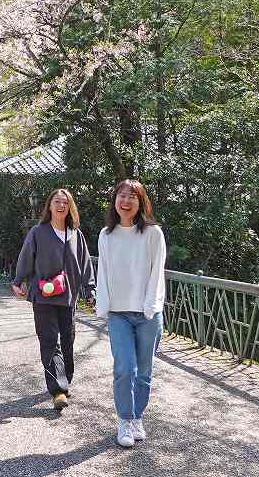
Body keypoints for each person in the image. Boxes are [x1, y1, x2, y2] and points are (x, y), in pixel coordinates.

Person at [95, 179, 166, 447]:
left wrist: (150, 306)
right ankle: (124, 418)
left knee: (144, 371)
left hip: (148, 314)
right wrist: (103, 305)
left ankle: (137, 416)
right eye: (122, 196)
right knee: (125, 367)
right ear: (115, 201)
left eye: (132, 197)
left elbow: (157, 272)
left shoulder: (152, 234)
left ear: (141, 202)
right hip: (119, 314)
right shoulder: (106, 235)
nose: (126, 202)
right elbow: (103, 272)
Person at [12, 188, 95, 410]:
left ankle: (65, 379)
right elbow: (26, 256)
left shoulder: (75, 234)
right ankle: (58, 389)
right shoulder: (38, 232)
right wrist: (18, 280)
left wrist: (90, 288)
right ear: (49, 206)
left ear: (70, 208)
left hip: (68, 297)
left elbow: (85, 263)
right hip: (44, 295)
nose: (61, 206)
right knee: (49, 341)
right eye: (57, 201)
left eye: (65, 203)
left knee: (68, 340)